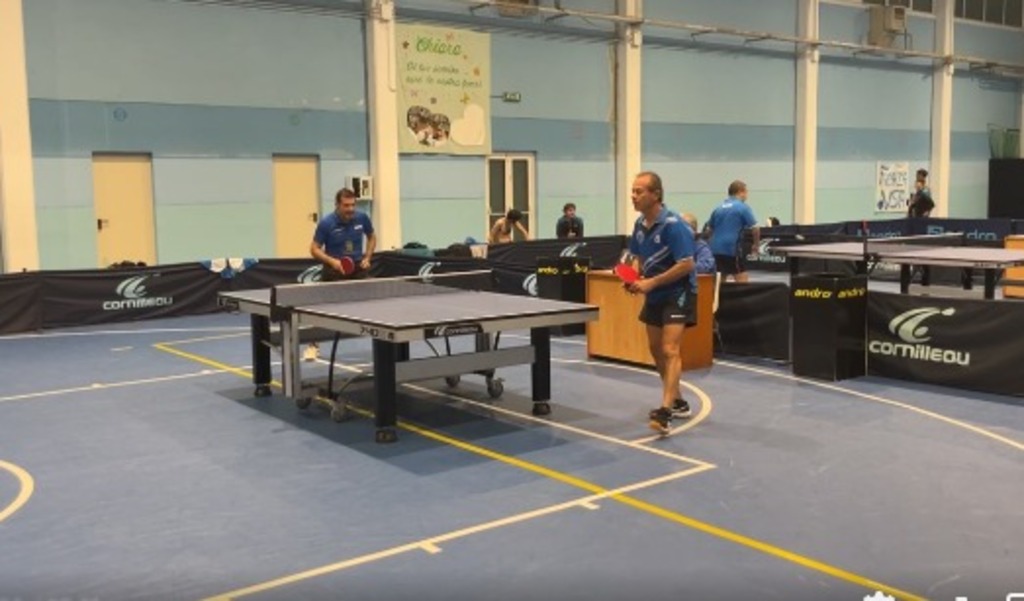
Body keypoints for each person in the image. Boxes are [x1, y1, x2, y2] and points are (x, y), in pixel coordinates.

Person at [625, 171, 697, 435]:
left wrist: (652, 282)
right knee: (655, 349)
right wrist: (634, 278)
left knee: (669, 349)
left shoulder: (674, 225)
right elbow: (638, 258)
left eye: (639, 191)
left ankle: (665, 412)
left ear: (656, 194)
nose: (633, 196)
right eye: (633, 191)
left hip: (678, 292)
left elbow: (687, 264)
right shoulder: (639, 225)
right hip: (654, 294)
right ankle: (678, 401)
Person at [305, 187, 376, 360]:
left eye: (352, 205)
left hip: (357, 268)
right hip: (334, 270)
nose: (350, 209)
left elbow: (372, 236)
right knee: (322, 310)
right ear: (337, 205)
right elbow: (314, 249)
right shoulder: (327, 223)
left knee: (377, 299)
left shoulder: (362, 218)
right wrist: (333, 262)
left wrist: (367, 257)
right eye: (346, 205)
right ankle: (313, 345)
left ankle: (385, 342)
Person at [705, 180, 759, 283]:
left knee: (720, 282)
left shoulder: (718, 208)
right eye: (746, 192)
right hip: (731, 249)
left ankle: (719, 294)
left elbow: (709, 230)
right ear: (740, 191)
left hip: (715, 250)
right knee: (742, 279)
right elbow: (755, 228)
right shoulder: (743, 207)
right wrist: (756, 245)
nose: (747, 196)